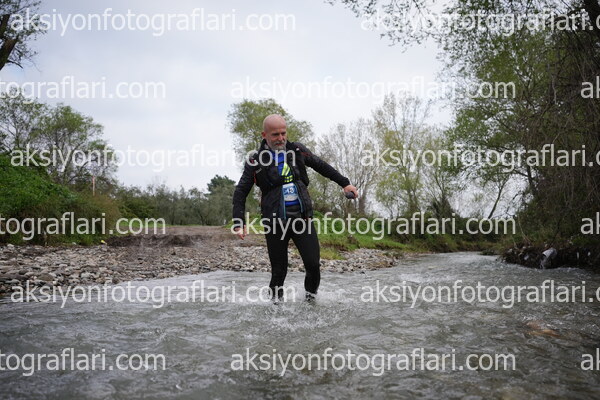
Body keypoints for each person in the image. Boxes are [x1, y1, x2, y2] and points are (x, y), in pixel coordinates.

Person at [232, 114, 358, 301]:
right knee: (279, 271)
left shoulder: (297, 150)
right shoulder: (255, 161)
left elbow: (321, 166)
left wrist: (345, 183)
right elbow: (241, 191)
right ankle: (275, 309)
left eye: (283, 133)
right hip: (275, 223)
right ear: (264, 135)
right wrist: (239, 221)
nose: (281, 138)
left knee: (313, 265)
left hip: (302, 219)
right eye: (275, 134)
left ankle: (310, 301)